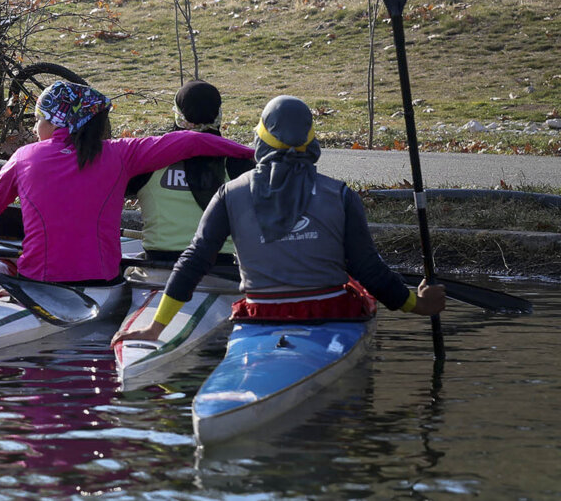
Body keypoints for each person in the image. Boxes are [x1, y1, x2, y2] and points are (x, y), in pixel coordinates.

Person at [113, 95, 446, 345]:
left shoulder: (230, 194)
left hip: (260, 317)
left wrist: (156, 327)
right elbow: (369, 271)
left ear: (260, 139)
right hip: (331, 316)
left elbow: (194, 261)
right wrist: (420, 305)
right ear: (310, 140)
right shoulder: (341, 195)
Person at [0, 81, 255, 284]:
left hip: (38, 283)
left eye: (39, 120)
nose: (36, 128)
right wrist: (255, 152)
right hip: (104, 284)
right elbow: (195, 142)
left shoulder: (24, 157)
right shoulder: (122, 153)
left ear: (56, 122)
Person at [126, 79, 254, 263]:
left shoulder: (148, 156)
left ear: (177, 114)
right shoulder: (239, 161)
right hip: (219, 270)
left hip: (158, 268)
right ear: (218, 114)